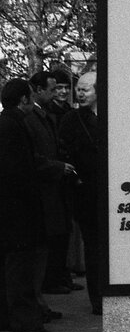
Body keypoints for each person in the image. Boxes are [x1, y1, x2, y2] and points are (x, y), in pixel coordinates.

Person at [0, 79, 54, 332]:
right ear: (23, 99)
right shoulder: (14, 126)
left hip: (11, 209)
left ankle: (11, 316)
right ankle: (24, 320)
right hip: (18, 211)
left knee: (13, 265)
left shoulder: (7, 122)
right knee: (20, 267)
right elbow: (18, 171)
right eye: (30, 96)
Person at [26, 72, 75, 300]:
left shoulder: (44, 115)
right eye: (53, 89)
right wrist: (56, 166)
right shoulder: (31, 118)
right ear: (38, 90)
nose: (57, 93)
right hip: (45, 188)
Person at [57, 71, 102, 315]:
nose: (80, 93)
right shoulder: (71, 120)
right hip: (86, 195)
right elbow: (64, 153)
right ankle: (97, 298)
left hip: (111, 194)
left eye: (86, 89)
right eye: (79, 89)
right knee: (93, 248)